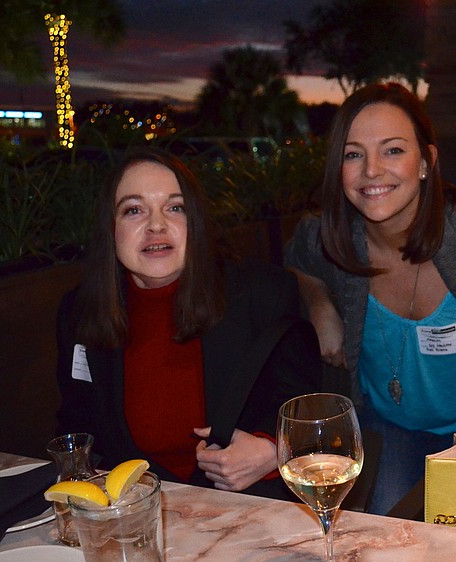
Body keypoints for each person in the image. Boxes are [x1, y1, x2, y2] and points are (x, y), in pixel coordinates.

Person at [55, 147, 321, 500]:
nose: (156, 225)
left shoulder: (264, 293)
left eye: (175, 208)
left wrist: (272, 450)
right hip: (134, 505)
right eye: (134, 210)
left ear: (195, 222)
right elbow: (78, 425)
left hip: (248, 502)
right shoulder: (79, 312)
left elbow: (306, 405)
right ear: (111, 229)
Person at [284, 83, 456, 515]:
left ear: (426, 162)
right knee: (381, 542)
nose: (372, 171)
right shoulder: (330, 237)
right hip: (389, 428)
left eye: (393, 150)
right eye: (353, 154)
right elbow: (297, 259)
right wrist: (322, 306)